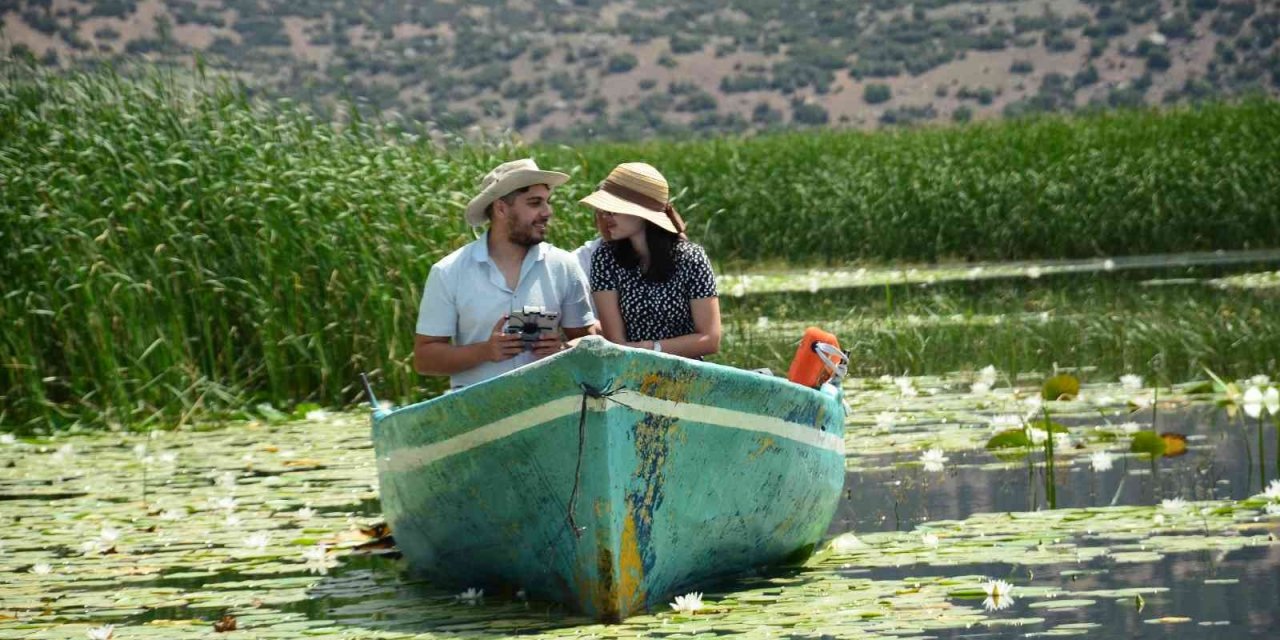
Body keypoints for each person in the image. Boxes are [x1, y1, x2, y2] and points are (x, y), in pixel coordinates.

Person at [414, 159, 597, 389]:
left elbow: (590, 343)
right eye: (535, 203)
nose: (547, 212)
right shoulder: (449, 272)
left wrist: (561, 349)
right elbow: (424, 359)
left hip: (549, 410)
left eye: (547, 202)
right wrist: (485, 351)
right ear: (501, 208)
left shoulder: (564, 266)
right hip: (476, 414)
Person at [582, 162, 721, 358]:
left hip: (687, 374)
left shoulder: (692, 258)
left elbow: (710, 339)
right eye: (603, 210)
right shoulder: (605, 258)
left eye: (613, 210)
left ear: (642, 213)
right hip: (630, 371)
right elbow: (616, 343)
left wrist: (650, 348)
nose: (605, 217)